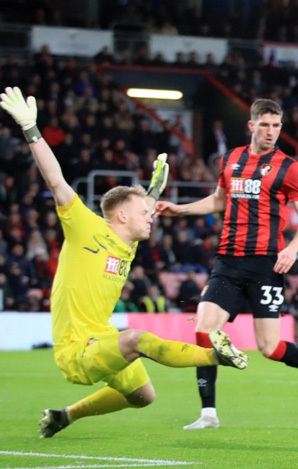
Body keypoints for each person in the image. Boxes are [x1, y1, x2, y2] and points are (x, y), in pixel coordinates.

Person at [0, 87, 248, 439]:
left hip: (101, 337)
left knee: (143, 396)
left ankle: (64, 416)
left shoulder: (126, 243)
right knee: (137, 339)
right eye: (144, 213)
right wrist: (31, 130)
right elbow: (56, 181)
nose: (151, 218)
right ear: (120, 215)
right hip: (76, 349)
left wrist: (154, 192)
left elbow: (140, 209)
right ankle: (214, 356)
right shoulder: (86, 228)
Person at [155, 98, 298, 430]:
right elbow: (218, 200)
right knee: (205, 330)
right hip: (228, 260)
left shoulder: (288, 167)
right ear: (252, 125)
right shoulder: (231, 158)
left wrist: (293, 248)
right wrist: (178, 209)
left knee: (268, 347)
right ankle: (208, 413)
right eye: (265, 125)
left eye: (277, 126)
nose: (271, 132)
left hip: (267, 264)